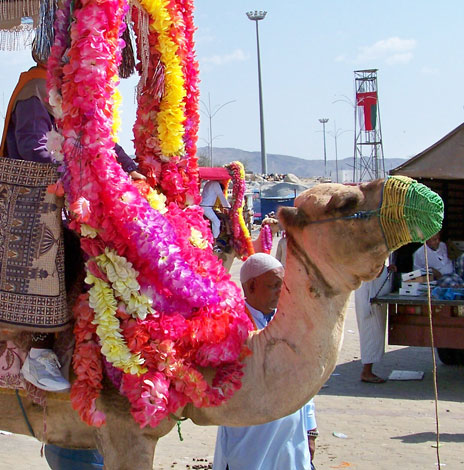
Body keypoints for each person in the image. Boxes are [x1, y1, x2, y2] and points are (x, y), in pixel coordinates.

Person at [0, 53, 145, 392]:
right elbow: (34, 150)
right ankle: (39, 351)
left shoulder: (76, 97)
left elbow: (103, 144)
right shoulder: (36, 90)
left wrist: (130, 169)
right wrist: (86, 169)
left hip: (67, 198)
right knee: (61, 251)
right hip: (32, 207)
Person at [213, 253, 318, 470]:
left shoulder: (289, 320)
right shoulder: (229, 325)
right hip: (250, 439)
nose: (282, 293)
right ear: (251, 287)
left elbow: (303, 378)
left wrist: (310, 428)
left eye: (284, 286)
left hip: (292, 438)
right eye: (274, 286)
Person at [354, 263, 396, 383]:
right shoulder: (372, 257)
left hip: (374, 302)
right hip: (370, 302)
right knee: (371, 336)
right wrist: (382, 269)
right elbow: (373, 272)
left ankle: (368, 370)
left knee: (375, 335)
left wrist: (386, 270)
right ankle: (366, 372)